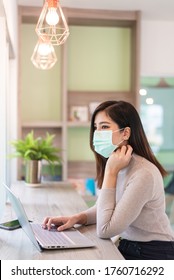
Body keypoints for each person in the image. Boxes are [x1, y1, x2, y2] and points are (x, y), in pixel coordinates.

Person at [43, 100, 174, 260]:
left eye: (104, 127)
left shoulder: (143, 173)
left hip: (154, 253)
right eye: (96, 127)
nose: (98, 133)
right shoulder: (120, 162)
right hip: (128, 246)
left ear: (125, 133)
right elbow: (105, 209)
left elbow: (105, 229)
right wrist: (77, 218)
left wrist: (111, 172)